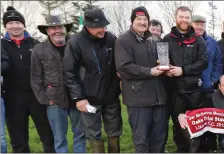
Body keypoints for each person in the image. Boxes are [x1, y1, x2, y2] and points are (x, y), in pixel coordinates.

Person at [63, 8, 122, 153]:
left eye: (104, 26)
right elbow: (69, 72)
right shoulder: (75, 42)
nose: (103, 29)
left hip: (111, 96)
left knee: (114, 132)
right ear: (88, 26)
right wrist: (79, 98)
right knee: (93, 133)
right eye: (99, 27)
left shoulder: (111, 38)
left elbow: (118, 64)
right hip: (88, 98)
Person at [1, 6, 55, 153]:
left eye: (18, 22)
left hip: (37, 95)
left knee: (47, 132)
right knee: (18, 135)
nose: (15, 26)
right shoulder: (1, 45)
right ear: (5, 25)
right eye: (10, 23)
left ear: (23, 24)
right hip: (12, 96)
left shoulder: (36, 44)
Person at [115, 7, 168, 153]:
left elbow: (160, 61)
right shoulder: (123, 40)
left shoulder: (153, 39)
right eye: (139, 19)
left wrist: (165, 66)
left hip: (158, 97)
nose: (143, 22)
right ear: (132, 21)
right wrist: (149, 71)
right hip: (138, 99)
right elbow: (124, 67)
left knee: (159, 137)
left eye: (145, 19)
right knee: (141, 139)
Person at [30, 15, 86, 153]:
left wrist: (84, 93)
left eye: (60, 27)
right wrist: (46, 99)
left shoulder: (76, 45)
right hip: (55, 101)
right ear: (47, 31)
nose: (57, 31)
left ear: (65, 29)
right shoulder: (38, 50)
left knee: (81, 135)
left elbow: (85, 69)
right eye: (53, 28)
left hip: (77, 98)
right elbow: (35, 78)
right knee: (59, 138)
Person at [162, 6, 208, 153]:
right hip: (175, 90)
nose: (184, 20)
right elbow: (162, 61)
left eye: (187, 17)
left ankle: (198, 149)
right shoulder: (167, 39)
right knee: (178, 123)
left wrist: (183, 70)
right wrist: (165, 71)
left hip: (194, 89)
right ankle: (181, 149)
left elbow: (203, 61)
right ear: (176, 18)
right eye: (181, 17)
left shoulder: (198, 40)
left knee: (196, 124)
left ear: (190, 19)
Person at [190, 14, 223, 153]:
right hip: (190, 89)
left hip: (208, 88)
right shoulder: (186, 41)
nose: (199, 27)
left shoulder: (212, 42)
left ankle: (210, 146)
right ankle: (195, 147)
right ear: (191, 25)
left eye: (202, 24)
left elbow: (218, 63)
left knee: (209, 119)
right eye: (196, 24)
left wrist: (213, 80)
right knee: (195, 120)